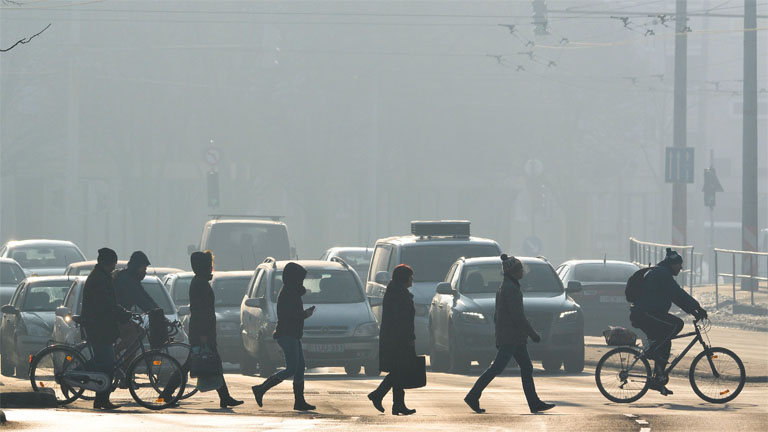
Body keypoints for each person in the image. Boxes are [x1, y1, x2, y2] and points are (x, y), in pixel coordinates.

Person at [464, 254, 555, 414]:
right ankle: (473, 395)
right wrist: (533, 333)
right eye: (520, 269)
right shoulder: (510, 288)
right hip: (511, 337)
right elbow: (517, 316)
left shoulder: (506, 286)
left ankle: (534, 403)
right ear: (513, 271)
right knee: (497, 368)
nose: (523, 272)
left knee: (526, 367)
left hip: (513, 337)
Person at [629, 248, 708, 396]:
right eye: (679, 265)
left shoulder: (662, 273)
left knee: (665, 343)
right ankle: (652, 351)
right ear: (672, 264)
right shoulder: (663, 274)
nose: (681, 268)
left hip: (647, 313)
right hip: (645, 314)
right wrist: (697, 308)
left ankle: (658, 380)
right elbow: (678, 293)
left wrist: (695, 311)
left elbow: (677, 298)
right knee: (677, 325)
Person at [251, 262, 316, 411]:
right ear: (294, 278)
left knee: (299, 368)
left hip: (292, 334)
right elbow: (290, 316)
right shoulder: (288, 293)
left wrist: (303, 314)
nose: (301, 282)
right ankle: (261, 388)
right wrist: (305, 314)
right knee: (292, 368)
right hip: (287, 334)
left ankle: (299, 401)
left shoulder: (291, 291)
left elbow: (292, 315)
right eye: (300, 278)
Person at [187, 251, 243, 409]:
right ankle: (225, 397)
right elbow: (200, 311)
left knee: (210, 363)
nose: (211, 268)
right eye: (208, 265)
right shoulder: (200, 284)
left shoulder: (200, 282)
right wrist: (204, 334)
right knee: (208, 362)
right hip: (202, 331)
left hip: (203, 330)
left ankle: (225, 397)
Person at [80, 247, 131, 410]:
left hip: (102, 327)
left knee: (103, 361)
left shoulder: (101, 276)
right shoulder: (98, 279)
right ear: (107, 263)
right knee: (108, 364)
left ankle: (99, 397)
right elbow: (106, 303)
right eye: (113, 264)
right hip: (98, 327)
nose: (114, 267)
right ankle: (102, 399)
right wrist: (121, 312)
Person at [367, 264, 417, 416]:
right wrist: (408, 337)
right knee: (399, 371)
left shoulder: (396, 292)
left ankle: (395, 403)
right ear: (404, 278)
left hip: (395, 338)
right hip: (398, 339)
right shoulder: (398, 295)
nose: (412, 280)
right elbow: (401, 320)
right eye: (410, 277)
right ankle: (381, 396)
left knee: (398, 371)